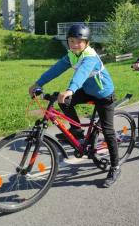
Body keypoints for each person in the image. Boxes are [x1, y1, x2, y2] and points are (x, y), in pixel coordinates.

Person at [28, 24, 121, 188]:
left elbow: (82, 73)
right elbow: (56, 69)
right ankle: (76, 131)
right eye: (71, 41)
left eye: (79, 41)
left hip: (103, 94)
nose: (74, 44)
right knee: (64, 101)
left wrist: (71, 89)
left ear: (86, 43)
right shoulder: (72, 55)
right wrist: (38, 82)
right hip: (87, 90)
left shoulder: (90, 56)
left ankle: (115, 167)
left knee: (107, 130)